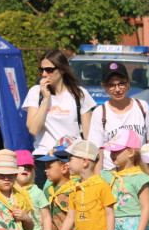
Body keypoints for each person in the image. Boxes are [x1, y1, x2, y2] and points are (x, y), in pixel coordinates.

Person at [22, 50, 97, 187]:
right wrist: (46, 99)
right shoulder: (36, 92)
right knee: (46, 204)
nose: (44, 74)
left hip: (73, 158)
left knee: (74, 205)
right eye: (42, 70)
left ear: (62, 70)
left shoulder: (79, 94)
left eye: (49, 70)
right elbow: (33, 128)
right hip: (44, 157)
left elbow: (89, 135)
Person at [87, 62, 149, 170]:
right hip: (112, 175)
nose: (117, 89)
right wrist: (99, 181)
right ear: (105, 87)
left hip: (140, 173)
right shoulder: (100, 113)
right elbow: (97, 152)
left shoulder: (142, 107)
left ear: (128, 83)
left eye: (121, 83)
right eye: (111, 85)